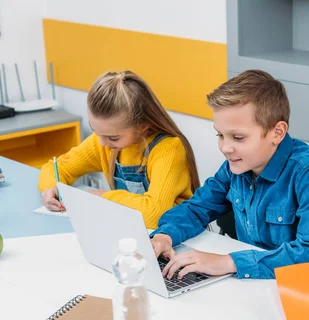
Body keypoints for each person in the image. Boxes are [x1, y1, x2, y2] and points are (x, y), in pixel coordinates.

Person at [152, 69, 309, 280]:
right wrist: (165, 235)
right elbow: (197, 208)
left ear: (277, 133)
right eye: (220, 135)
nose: (225, 148)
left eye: (238, 137)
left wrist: (227, 262)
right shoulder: (237, 165)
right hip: (254, 282)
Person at [38, 70, 200, 229]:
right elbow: (57, 167)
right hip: (134, 231)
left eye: (113, 138)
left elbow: (153, 215)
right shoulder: (106, 141)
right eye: (96, 131)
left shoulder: (168, 149)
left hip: (179, 238)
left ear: (142, 126)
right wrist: (51, 187)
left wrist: (102, 198)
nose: (102, 143)